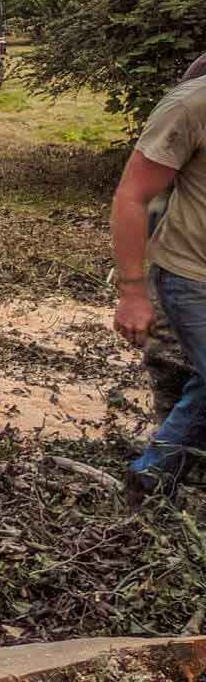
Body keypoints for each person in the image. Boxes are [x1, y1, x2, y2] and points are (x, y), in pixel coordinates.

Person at [112, 52, 206, 501]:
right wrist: (132, 291)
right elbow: (134, 196)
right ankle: (151, 477)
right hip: (191, 274)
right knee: (180, 369)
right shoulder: (191, 104)